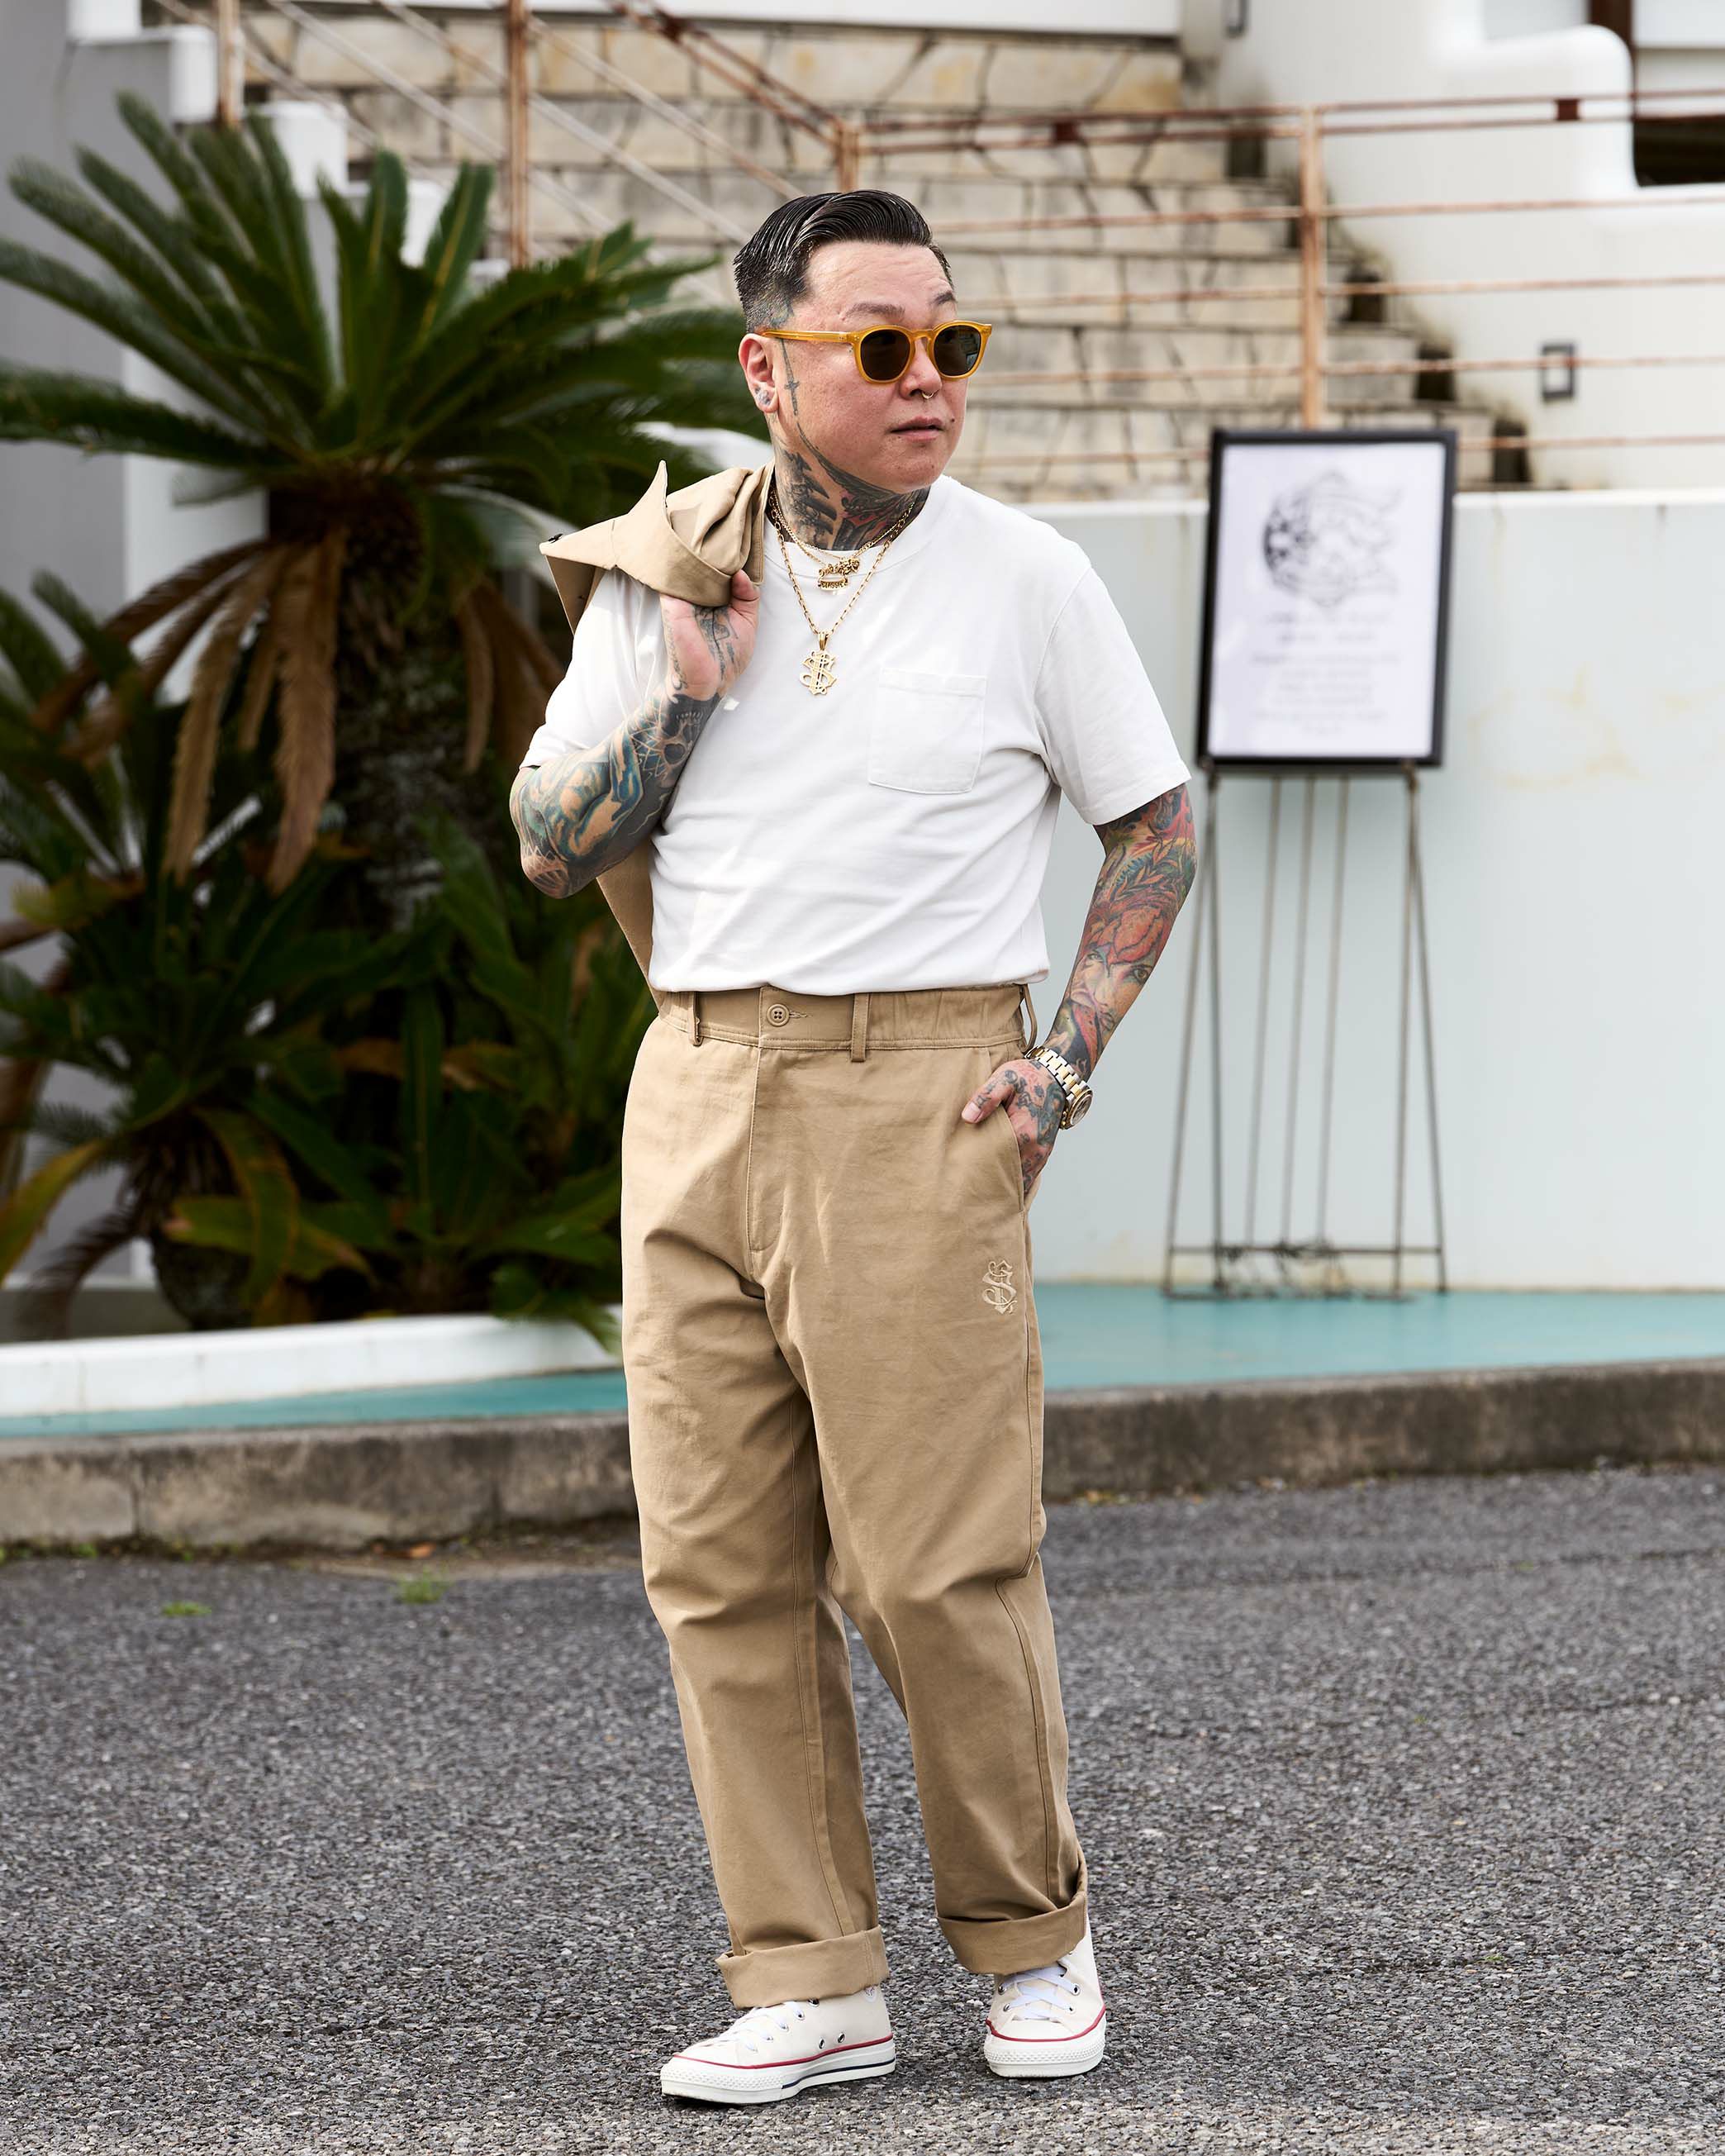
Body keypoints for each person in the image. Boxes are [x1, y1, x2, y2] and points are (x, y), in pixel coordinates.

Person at [510, 190, 1196, 2107]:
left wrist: (1063, 1064)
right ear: (768, 366)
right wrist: (683, 691)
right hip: (699, 1080)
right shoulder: (668, 573)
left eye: (949, 342)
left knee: (933, 1566)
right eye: (881, 347)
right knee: (718, 1566)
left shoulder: (1028, 578)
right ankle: (810, 1977)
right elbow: (552, 841)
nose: (928, 380)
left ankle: (1034, 1937)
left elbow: (1154, 825)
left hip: (925, 1088)